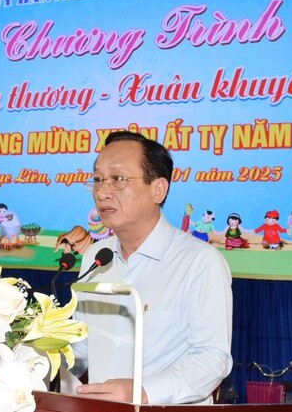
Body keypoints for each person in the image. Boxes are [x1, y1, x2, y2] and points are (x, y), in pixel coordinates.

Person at [71, 130, 233, 405]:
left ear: (158, 189)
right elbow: (83, 344)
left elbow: (211, 358)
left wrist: (143, 392)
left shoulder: (199, 261)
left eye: (118, 179)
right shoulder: (96, 257)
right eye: (98, 180)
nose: (103, 191)